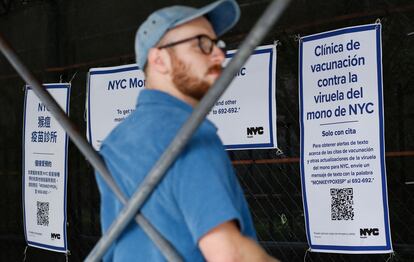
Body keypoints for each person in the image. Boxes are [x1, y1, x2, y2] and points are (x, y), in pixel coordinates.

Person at [95, 0, 279, 261]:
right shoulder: (187, 134)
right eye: (201, 44)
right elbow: (230, 254)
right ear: (159, 60)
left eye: (217, 44)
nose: (218, 54)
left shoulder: (116, 141)